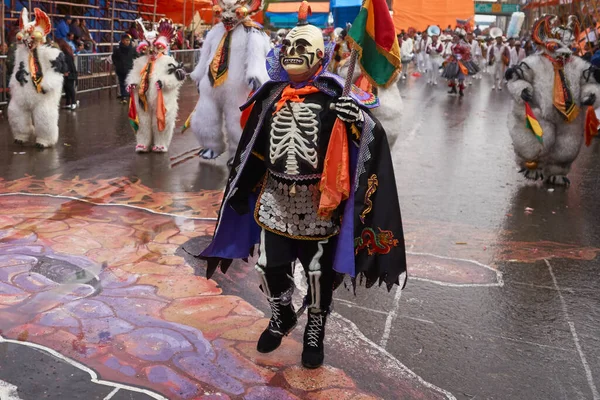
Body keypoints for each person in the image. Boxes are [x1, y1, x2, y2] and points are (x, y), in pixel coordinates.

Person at [197, 1, 407, 370]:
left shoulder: (338, 96)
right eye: (289, 47)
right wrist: (243, 188)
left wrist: (359, 121)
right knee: (267, 266)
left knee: (319, 274)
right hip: (275, 199)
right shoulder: (270, 96)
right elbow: (254, 149)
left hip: (321, 203)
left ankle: (315, 326)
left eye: (301, 48)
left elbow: (373, 142)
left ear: (319, 57)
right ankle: (282, 314)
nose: (294, 54)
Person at [505, 14, 600, 186]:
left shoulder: (577, 64)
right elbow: (518, 78)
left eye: (567, 43)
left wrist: (591, 94)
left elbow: (589, 82)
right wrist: (522, 90)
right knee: (539, 140)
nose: (563, 49)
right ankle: (534, 166)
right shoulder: (534, 62)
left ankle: (558, 170)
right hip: (540, 110)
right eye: (558, 43)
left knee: (567, 145)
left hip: (571, 114)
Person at [190, 0, 271, 165]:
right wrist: (199, 75)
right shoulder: (215, 31)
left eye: (235, 12)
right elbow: (206, 54)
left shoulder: (253, 32)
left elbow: (257, 57)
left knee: (237, 121)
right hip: (211, 84)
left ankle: (238, 153)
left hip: (237, 86)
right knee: (205, 116)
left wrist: (255, 75)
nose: (227, 17)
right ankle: (211, 146)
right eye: (221, 12)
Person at [9, 8, 67, 148]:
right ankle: (21, 134)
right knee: (15, 110)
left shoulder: (51, 53)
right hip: (23, 90)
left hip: (42, 92)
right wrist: (14, 83)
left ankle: (45, 138)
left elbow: (57, 71)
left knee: (44, 114)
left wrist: (47, 84)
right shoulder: (20, 53)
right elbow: (17, 68)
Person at [126, 19, 186, 153]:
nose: (152, 51)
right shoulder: (140, 62)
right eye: (148, 48)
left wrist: (164, 82)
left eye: (156, 47)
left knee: (161, 120)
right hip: (143, 98)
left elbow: (176, 77)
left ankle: (161, 142)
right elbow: (134, 75)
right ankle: (143, 142)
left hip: (162, 99)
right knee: (143, 120)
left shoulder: (168, 61)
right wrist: (132, 84)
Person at [112, 34, 136, 103]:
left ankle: (131, 96)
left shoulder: (132, 49)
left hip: (129, 69)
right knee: (122, 83)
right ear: (122, 41)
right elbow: (114, 58)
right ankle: (124, 97)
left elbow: (137, 56)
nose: (128, 42)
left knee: (129, 83)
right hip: (120, 69)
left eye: (128, 40)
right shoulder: (117, 50)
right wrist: (117, 65)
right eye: (126, 40)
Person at [56, 39, 78, 110]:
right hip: (67, 73)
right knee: (66, 88)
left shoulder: (66, 55)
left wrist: (67, 71)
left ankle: (73, 102)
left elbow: (69, 65)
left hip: (69, 73)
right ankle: (68, 103)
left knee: (70, 88)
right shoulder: (65, 54)